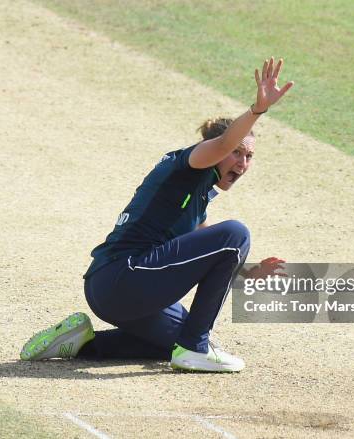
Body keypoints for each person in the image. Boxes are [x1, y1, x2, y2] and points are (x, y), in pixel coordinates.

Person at [20, 57, 293, 372]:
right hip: (124, 277)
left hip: (114, 289)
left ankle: (80, 341)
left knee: (179, 338)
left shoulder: (197, 195)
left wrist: (248, 274)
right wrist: (257, 110)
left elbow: (204, 251)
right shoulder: (191, 161)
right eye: (237, 152)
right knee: (236, 233)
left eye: (249, 156)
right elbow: (223, 145)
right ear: (216, 147)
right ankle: (195, 350)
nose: (242, 163)